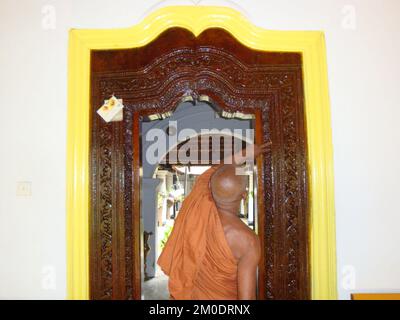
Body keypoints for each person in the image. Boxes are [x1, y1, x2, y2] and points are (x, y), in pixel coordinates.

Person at [157, 142, 271, 300]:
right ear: (244, 195)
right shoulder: (248, 241)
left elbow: (209, 174)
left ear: (210, 187)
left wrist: (246, 153)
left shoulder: (198, 208)